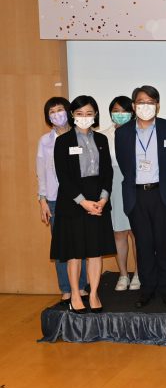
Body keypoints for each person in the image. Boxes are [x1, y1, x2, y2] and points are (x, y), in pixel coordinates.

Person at [115, 85, 166, 308]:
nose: (146, 106)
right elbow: (126, 166)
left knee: (164, 244)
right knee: (143, 246)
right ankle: (147, 289)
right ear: (134, 106)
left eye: (151, 102)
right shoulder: (122, 132)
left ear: (158, 105)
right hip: (136, 196)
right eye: (141, 102)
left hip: (162, 194)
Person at [51, 95, 116, 313]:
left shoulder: (101, 140)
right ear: (72, 115)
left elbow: (108, 171)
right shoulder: (63, 141)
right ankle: (76, 294)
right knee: (75, 252)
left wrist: (103, 199)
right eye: (79, 114)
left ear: (95, 115)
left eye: (89, 113)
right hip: (73, 203)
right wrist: (83, 202)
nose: (84, 117)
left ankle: (94, 293)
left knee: (95, 251)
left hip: (98, 200)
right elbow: (64, 177)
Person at [36, 96, 87, 303]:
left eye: (60, 109)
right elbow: (41, 171)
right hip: (55, 199)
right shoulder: (45, 141)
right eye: (52, 111)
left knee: (82, 244)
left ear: (69, 111)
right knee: (61, 247)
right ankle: (66, 288)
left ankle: (81, 286)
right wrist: (42, 200)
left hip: (79, 199)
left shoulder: (81, 137)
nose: (57, 114)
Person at [101, 96, 138, 291]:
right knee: (119, 232)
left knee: (137, 232)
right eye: (116, 110)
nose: (120, 114)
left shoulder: (139, 132)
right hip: (114, 183)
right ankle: (123, 274)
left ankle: (139, 274)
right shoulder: (103, 135)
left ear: (132, 112)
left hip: (135, 183)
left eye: (124, 110)